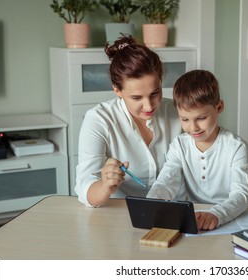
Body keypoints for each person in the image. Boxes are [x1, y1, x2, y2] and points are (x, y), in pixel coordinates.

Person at [147, 70, 248, 230]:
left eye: (201, 118)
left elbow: (241, 195)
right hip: (202, 216)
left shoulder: (236, 147)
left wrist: (216, 214)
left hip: (247, 213)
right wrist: (153, 202)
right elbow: (166, 181)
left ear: (219, 107)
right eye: (185, 119)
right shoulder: (179, 145)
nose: (193, 127)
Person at [75, 35, 181, 207]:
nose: (148, 106)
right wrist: (104, 187)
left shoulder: (177, 112)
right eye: (136, 97)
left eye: (155, 93)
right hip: (120, 215)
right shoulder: (98, 119)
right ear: (117, 90)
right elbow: (85, 188)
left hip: (175, 209)